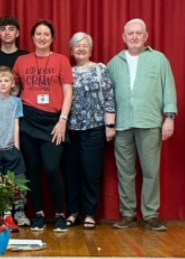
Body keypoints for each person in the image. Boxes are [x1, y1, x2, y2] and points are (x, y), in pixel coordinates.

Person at [108, 18, 177, 231]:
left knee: (151, 170)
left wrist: (170, 117)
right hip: (122, 125)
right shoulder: (114, 63)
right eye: (131, 33)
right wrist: (108, 124)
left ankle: (151, 214)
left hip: (150, 122)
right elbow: (108, 96)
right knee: (125, 172)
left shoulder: (159, 59)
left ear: (146, 36)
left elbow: (169, 88)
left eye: (139, 33)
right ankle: (128, 213)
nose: (135, 37)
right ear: (124, 37)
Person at [13, 20, 73, 232]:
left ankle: (59, 214)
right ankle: (38, 213)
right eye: (38, 33)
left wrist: (63, 121)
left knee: (51, 167)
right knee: (33, 170)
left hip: (53, 121)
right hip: (28, 119)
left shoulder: (61, 60)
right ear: (32, 37)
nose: (42, 37)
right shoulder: (21, 61)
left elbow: (68, 93)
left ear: (52, 38)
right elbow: (14, 88)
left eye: (46, 34)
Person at [64, 32, 116, 229]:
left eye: (85, 45)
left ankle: (89, 213)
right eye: (77, 46)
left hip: (94, 128)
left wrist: (110, 125)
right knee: (71, 172)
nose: (81, 49)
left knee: (91, 172)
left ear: (91, 49)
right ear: (71, 50)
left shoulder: (100, 69)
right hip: (70, 129)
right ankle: (74, 212)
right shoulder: (67, 70)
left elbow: (110, 97)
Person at [0, 66, 28, 232]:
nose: (3, 84)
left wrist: (16, 148)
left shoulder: (16, 102)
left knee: (12, 183)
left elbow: (16, 125)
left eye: (6, 81)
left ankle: (10, 214)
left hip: (10, 148)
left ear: (12, 83)